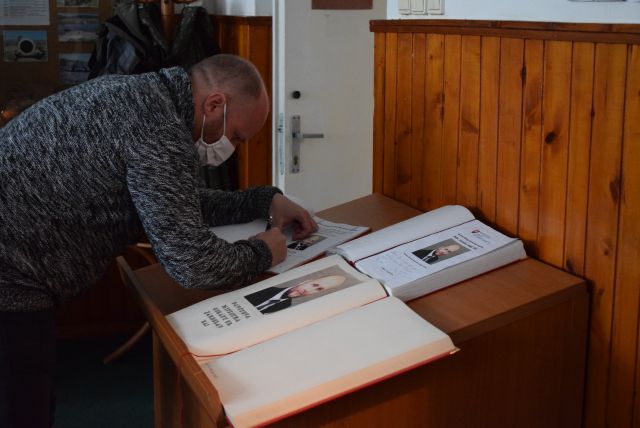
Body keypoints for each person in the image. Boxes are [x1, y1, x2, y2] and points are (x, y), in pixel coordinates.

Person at [0, 54, 316, 427]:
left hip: (14, 262)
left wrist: (263, 200)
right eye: (236, 136)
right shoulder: (159, 128)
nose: (233, 147)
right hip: (12, 276)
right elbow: (191, 263)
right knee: (24, 409)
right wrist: (264, 251)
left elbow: (171, 203)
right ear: (215, 104)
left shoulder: (138, 94)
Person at [245, 275, 347, 314]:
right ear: (305, 281)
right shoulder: (267, 287)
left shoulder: (286, 305)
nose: (309, 290)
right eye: (314, 285)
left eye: (318, 289)